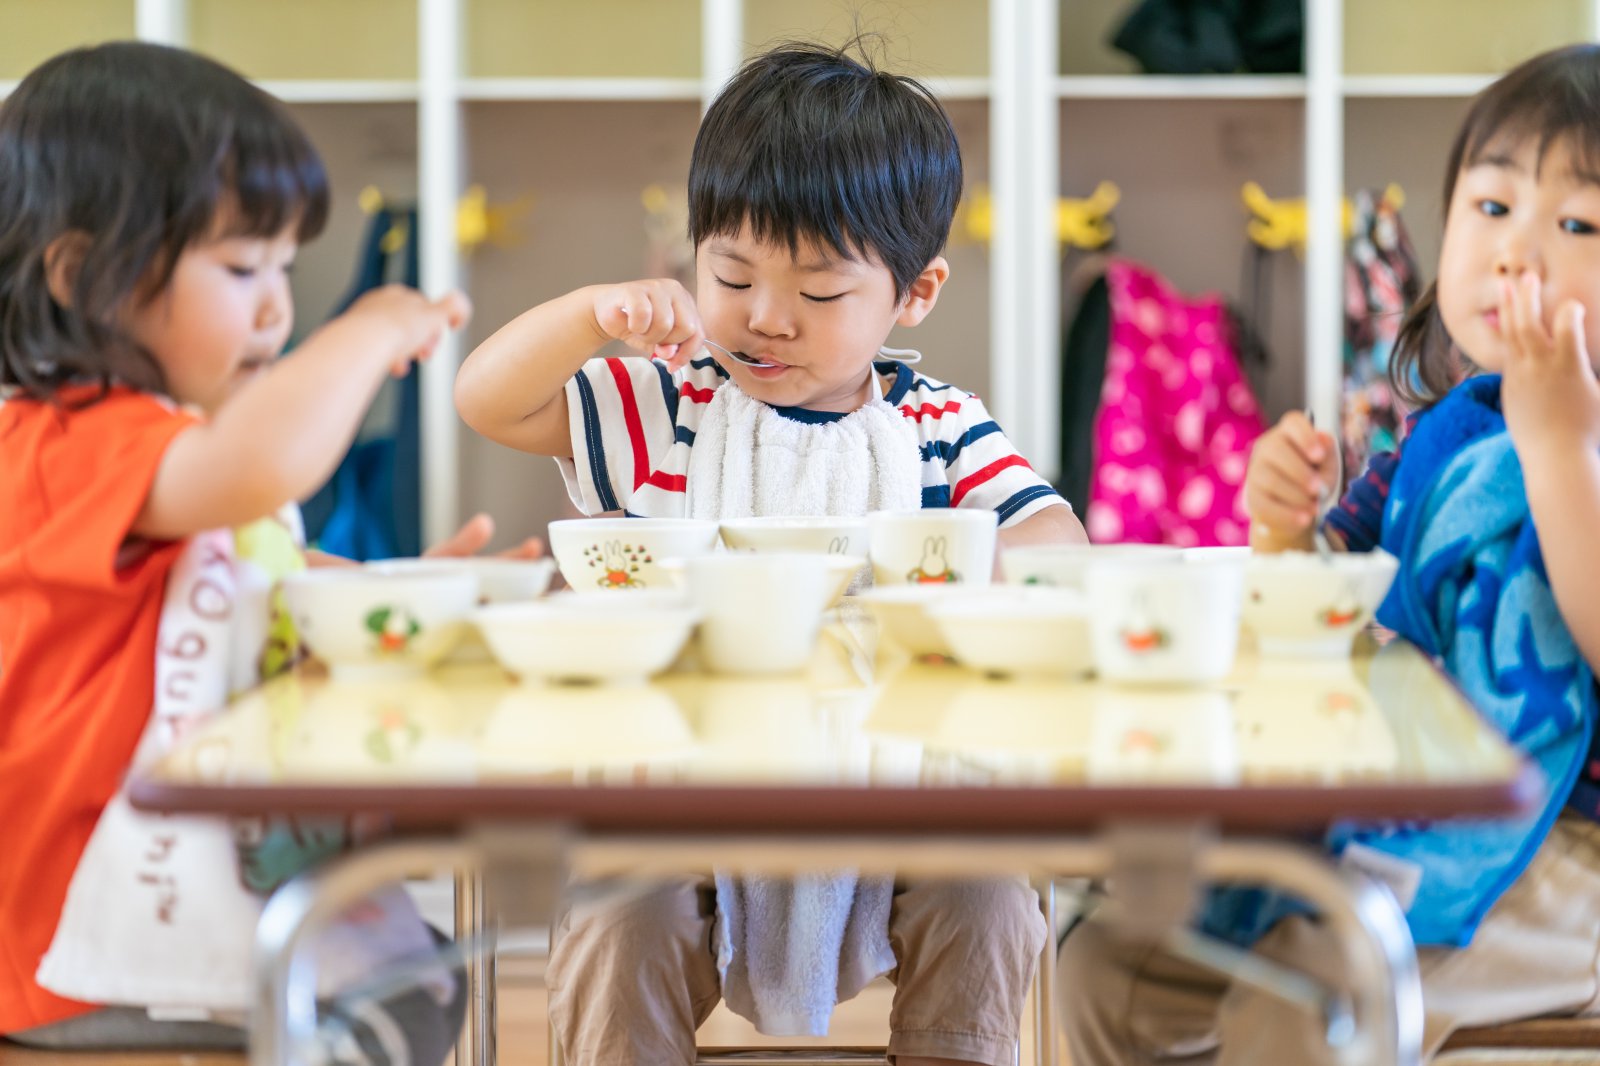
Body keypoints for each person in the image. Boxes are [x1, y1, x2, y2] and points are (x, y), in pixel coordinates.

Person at [455, 40, 1086, 1066]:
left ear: (913, 294)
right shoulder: (669, 407)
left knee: (992, 903)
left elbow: (1056, 542)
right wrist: (586, 318)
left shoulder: (937, 428)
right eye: (732, 273)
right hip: (674, 793)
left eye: (821, 294)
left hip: (901, 793)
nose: (764, 317)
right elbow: (487, 397)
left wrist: (965, 572)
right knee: (622, 923)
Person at [1060, 43, 1600, 1064]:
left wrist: (1563, 448)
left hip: (1570, 861)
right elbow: (1316, 625)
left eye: (1576, 223)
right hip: (1387, 818)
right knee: (1107, 967)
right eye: (1490, 208)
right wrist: (1282, 528)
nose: (1515, 252)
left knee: (1314, 990)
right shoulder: (1432, 448)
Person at [0, 41, 481, 1062]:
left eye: (284, 269)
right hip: (78, 930)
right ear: (86, 277)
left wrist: (418, 588)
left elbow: (260, 579)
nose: (274, 305)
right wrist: (365, 333)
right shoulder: (63, 439)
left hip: (169, 872)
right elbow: (262, 468)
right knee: (402, 995)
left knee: (427, 971)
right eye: (238, 267)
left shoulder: (171, 444)